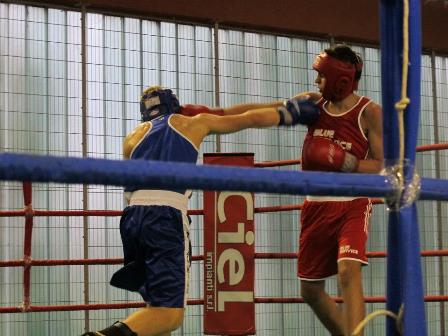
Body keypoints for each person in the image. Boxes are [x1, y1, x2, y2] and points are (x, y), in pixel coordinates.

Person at [81, 85, 318, 336]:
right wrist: (289, 112)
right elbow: (247, 118)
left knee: (156, 305)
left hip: (132, 219)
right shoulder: (191, 123)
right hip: (165, 215)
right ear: (174, 104)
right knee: (169, 315)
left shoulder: (132, 138)